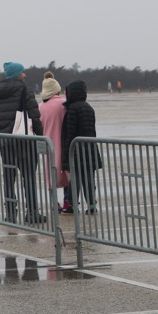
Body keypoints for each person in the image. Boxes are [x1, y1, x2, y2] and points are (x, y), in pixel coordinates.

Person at [0, 61, 46, 224]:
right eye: (22, 72)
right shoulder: (25, 90)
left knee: (9, 177)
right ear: (17, 74)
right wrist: (42, 137)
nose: (25, 74)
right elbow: (34, 116)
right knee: (29, 176)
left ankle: (10, 212)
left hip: (4, 142)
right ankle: (32, 212)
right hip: (24, 141)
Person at [61, 80, 103, 213]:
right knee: (89, 179)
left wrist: (65, 155)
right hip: (90, 148)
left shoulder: (72, 109)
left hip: (76, 150)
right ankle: (92, 205)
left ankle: (73, 205)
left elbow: (69, 134)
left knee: (75, 179)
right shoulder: (88, 107)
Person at [37, 72, 72, 213]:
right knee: (67, 172)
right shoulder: (63, 104)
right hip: (64, 142)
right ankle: (68, 201)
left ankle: (54, 202)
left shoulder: (40, 107)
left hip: (48, 145)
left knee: (50, 174)